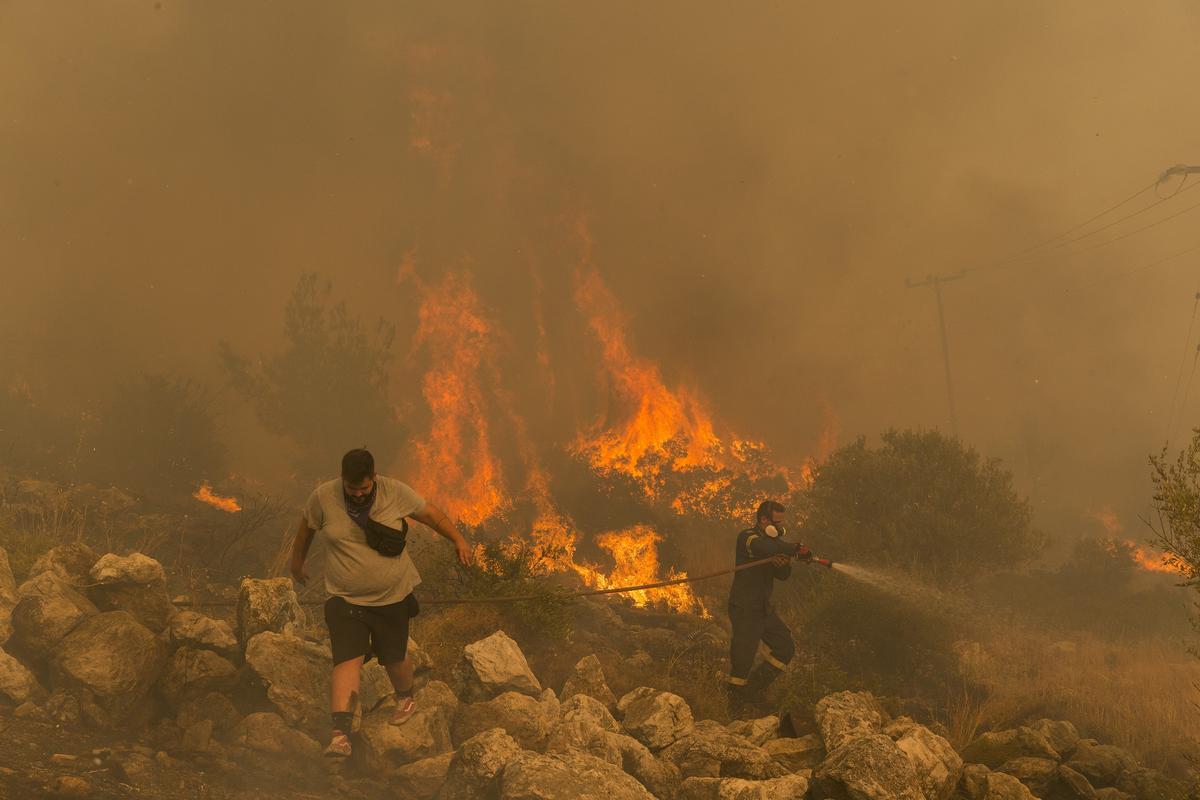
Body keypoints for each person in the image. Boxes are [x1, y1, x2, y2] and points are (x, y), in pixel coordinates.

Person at [291, 448, 472, 758]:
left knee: (394, 656)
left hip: (392, 597)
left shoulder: (394, 491)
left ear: (373, 478)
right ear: (343, 480)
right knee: (348, 659)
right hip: (345, 598)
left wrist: (458, 539)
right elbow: (306, 527)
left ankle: (406, 697)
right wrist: (297, 561)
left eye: (364, 488)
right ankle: (340, 735)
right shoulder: (323, 497)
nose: (358, 494)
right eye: (352, 489)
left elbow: (430, 514)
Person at [726, 499, 806, 712]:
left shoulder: (775, 545)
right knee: (743, 656)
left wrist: (784, 563)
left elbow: (783, 575)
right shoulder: (748, 537)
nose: (779, 528)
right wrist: (795, 549)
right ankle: (734, 704)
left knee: (785, 647)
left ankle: (752, 690)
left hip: (763, 608)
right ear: (763, 520)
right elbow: (765, 547)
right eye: (775, 522)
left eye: (781, 523)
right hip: (744, 607)